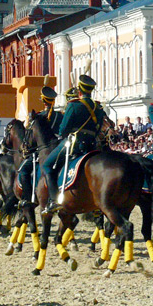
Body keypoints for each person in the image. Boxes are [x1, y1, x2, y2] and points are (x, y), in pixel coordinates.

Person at [41, 74, 107, 215]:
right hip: (93, 145)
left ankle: (53, 200)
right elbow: (99, 127)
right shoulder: (98, 108)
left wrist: (63, 133)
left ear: (79, 91)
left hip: (75, 144)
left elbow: (63, 129)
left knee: (47, 165)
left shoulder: (74, 105)